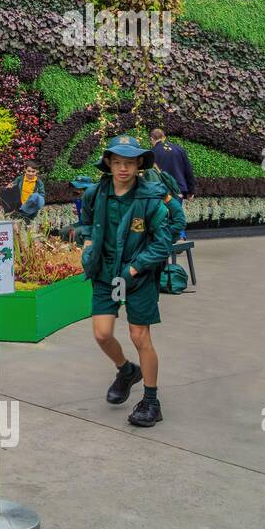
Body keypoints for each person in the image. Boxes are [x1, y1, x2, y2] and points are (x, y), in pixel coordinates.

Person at [80, 135, 180, 428]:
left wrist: (135, 269)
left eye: (129, 163)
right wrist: (87, 244)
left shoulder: (151, 198)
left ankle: (151, 401)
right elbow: (86, 220)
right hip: (104, 272)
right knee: (101, 334)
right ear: (109, 163)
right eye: (118, 162)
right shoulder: (96, 194)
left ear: (139, 165)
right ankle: (126, 371)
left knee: (140, 336)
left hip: (139, 275)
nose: (123, 168)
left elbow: (163, 244)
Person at [150, 129, 193, 241]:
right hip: (179, 188)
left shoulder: (152, 152)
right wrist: (191, 190)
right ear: (164, 137)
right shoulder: (179, 149)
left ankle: (169, 238)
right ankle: (179, 237)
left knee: (164, 214)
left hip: (162, 189)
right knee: (177, 213)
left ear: (152, 139)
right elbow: (188, 170)